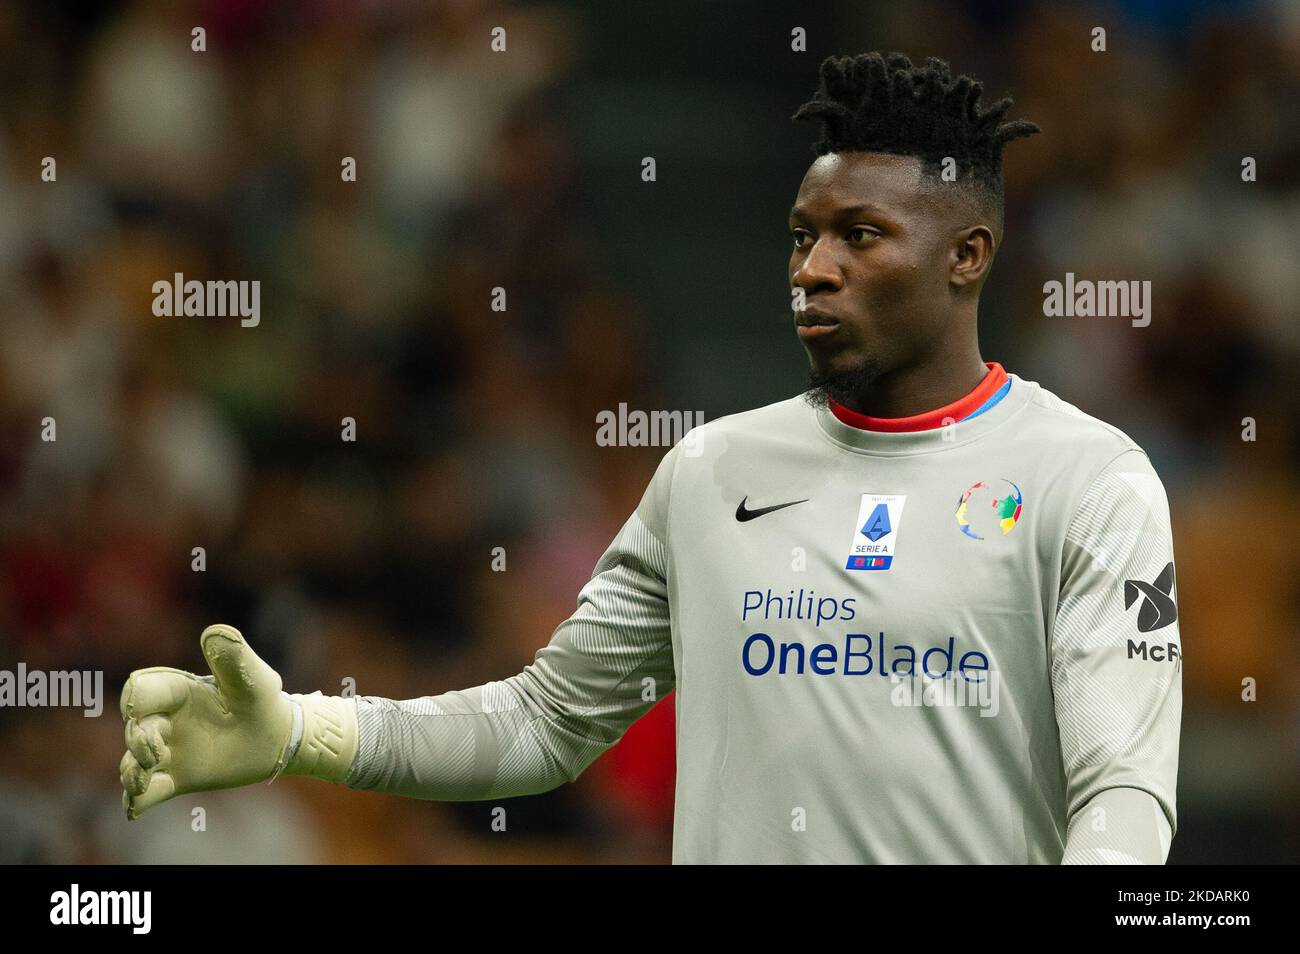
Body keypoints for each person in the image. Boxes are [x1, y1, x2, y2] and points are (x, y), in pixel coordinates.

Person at [119, 52, 1181, 864]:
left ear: (967, 255)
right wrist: (302, 728)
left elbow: (1125, 795)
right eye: (801, 236)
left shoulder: (1086, 481)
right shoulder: (711, 474)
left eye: (860, 235)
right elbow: (543, 726)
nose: (811, 268)